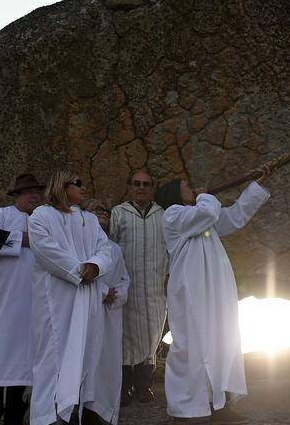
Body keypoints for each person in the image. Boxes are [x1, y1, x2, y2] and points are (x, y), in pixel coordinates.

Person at [155, 169, 271, 425]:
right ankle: (184, 410)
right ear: (175, 193)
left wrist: (254, 186)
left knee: (221, 341)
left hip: (215, 289)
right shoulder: (173, 215)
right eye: (187, 186)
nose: (192, 188)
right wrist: (205, 196)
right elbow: (208, 212)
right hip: (191, 289)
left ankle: (219, 404)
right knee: (191, 346)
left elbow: (235, 217)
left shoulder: (199, 214)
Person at [28, 170, 114, 425]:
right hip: (56, 298)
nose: (84, 187)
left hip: (86, 297)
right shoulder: (41, 216)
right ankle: (45, 416)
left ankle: (73, 411)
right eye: (78, 183)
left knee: (84, 353)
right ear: (61, 186)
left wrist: (95, 266)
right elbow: (46, 250)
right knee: (52, 355)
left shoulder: (89, 219)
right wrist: (80, 270)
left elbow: (105, 248)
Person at [0, 173, 45, 425]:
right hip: (2, 303)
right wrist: (22, 240)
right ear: (16, 195)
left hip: (32, 303)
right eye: (29, 192)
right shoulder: (0, 215)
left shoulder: (43, 220)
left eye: (37, 192)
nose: (34, 196)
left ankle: (16, 414)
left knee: (25, 362)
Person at [109, 170, 168, 404]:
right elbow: (110, 246)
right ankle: (125, 386)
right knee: (125, 334)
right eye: (136, 184)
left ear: (153, 187)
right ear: (129, 186)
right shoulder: (119, 213)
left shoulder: (162, 215)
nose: (141, 188)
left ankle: (145, 384)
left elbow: (170, 246)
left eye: (146, 184)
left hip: (154, 284)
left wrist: (169, 275)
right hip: (128, 284)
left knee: (153, 332)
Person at [80, 198, 130, 425]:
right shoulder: (79, 244)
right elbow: (74, 273)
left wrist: (117, 293)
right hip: (84, 315)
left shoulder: (115, 249)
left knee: (105, 365)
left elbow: (123, 279)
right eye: (97, 209)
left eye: (106, 211)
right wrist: (100, 292)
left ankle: (101, 412)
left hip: (109, 318)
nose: (104, 213)